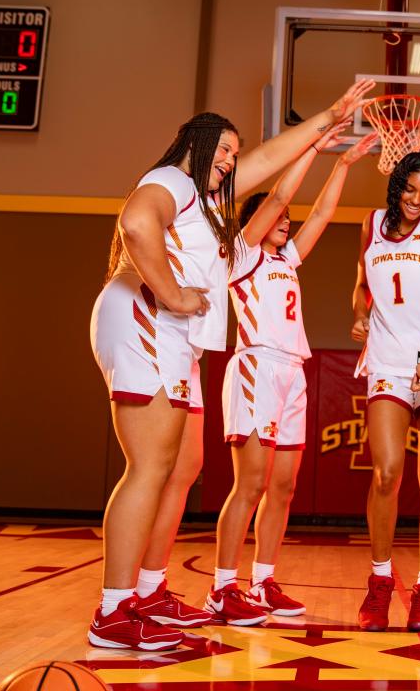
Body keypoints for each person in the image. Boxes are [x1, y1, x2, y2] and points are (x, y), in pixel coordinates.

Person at [87, 79, 375, 649]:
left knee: (183, 465)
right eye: (221, 149)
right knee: (149, 466)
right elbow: (137, 224)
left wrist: (326, 123)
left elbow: (272, 174)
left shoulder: (214, 210)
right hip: (148, 317)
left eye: (234, 153)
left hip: (176, 336)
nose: (231, 159)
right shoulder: (170, 180)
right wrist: (171, 294)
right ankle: (113, 610)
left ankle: (148, 589)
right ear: (193, 146)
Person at [206, 129, 378, 625]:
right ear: (256, 221)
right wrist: (312, 148)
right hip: (257, 366)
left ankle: (262, 582)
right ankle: (222, 589)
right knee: (251, 484)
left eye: (287, 219)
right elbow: (281, 194)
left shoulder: (287, 260)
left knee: (283, 487)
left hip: (292, 373)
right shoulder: (241, 253)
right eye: (277, 217)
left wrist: (344, 166)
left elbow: (321, 214)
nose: (286, 219)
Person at [351, 150, 420, 632]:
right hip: (387, 360)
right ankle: (379, 583)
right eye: (410, 190)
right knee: (386, 471)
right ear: (396, 186)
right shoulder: (371, 223)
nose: (417, 200)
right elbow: (361, 287)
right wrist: (358, 312)